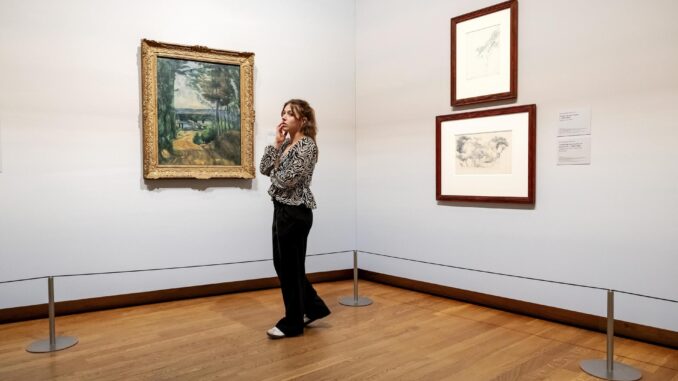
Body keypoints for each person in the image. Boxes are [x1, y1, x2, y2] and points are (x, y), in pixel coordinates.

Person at [259, 99, 331, 339]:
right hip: (281, 208)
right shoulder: (287, 144)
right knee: (285, 265)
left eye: (291, 113)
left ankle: (293, 323)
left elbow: (285, 180)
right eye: (283, 113)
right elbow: (263, 168)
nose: (284, 117)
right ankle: (314, 307)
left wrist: (276, 171)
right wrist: (277, 144)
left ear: (304, 119)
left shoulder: (307, 146)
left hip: (296, 212)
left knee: (289, 267)